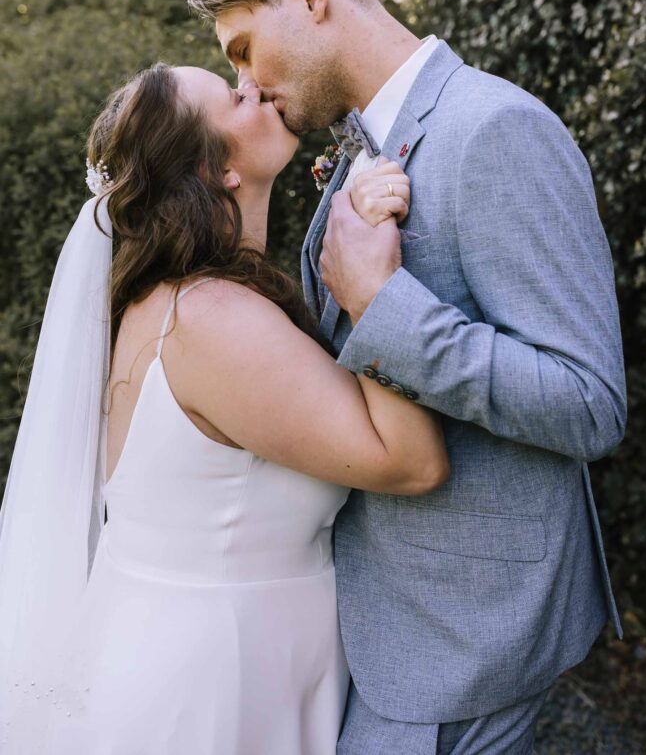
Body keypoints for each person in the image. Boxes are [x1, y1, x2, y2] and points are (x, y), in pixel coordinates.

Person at [189, 0, 627, 755]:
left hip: (466, 637)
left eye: (244, 48)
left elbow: (590, 402)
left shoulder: (494, 128)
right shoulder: (361, 147)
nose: (242, 79)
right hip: (382, 617)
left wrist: (386, 304)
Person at [0, 62, 449, 755]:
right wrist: (372, 288)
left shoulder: (171, 302)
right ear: (219, 173)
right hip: (212, 687)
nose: (254, 84)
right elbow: (413, 462)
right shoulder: (212, 319)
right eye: (231, 96)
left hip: (203, 651)